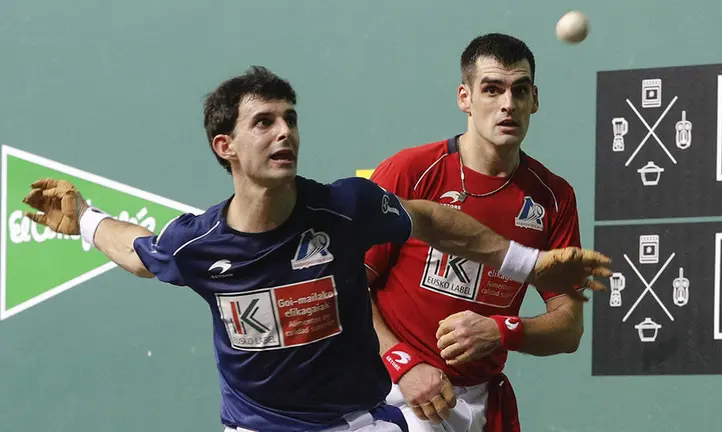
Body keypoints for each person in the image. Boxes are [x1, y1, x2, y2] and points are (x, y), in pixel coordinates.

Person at [22, 66, 610, 432]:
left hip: (354, 421)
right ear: (224, 145)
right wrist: (86, 219)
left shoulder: (345, 209)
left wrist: (531, 263)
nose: (285, 132)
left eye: (291, 119)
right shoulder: (200, 243)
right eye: (265, 123)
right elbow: (139, 252)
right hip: (255, 425)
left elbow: (435, 221)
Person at [365, 34, 595, 431]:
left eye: (520, 90)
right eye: (492, 89)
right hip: (396, 394)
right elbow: (346, 285)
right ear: (464, 98)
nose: (508, 104)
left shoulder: (553, 197)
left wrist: (502, 329)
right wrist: (403, 364)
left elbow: (569, 325)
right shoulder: (410, 172)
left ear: (534, 100)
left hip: (482, 402)